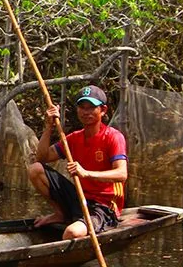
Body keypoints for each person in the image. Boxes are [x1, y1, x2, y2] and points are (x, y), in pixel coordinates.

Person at [27, 84, 127, 240]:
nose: (86, 112)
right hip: (79, 199)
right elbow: (42, 158)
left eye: (91, 108)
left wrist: (86, 174)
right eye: (82, 107)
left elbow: (122, 174)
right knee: (35, 169)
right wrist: (48, 126)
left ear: (103, 110)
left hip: (104, 206)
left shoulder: (113, 137)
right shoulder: (74, 138)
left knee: (72, 233)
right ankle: (60, 213)